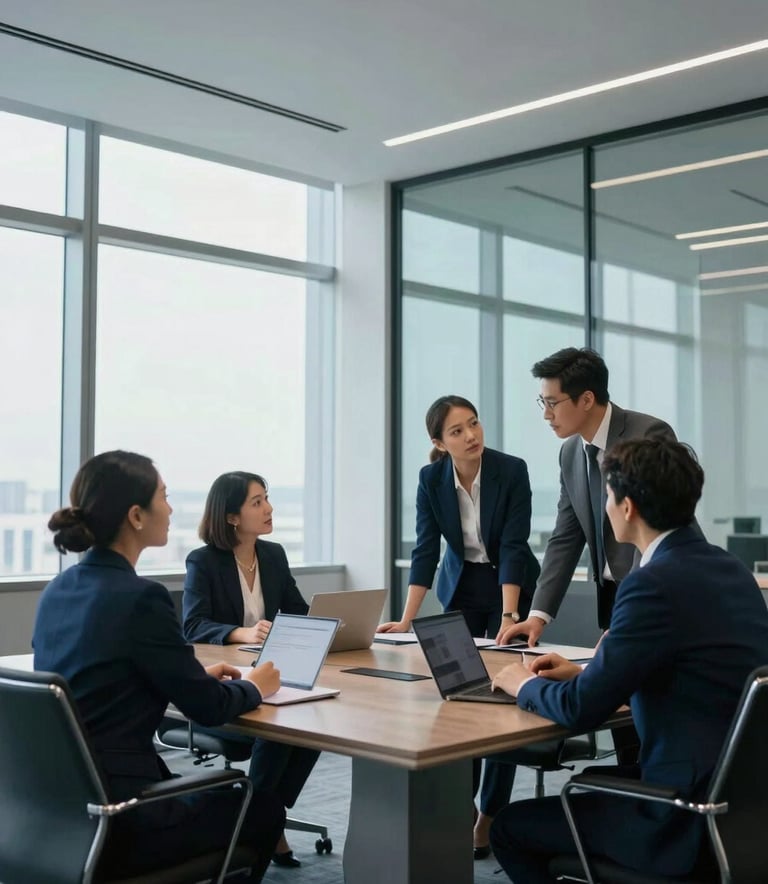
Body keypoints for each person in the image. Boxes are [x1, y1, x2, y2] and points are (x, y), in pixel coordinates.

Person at [488, 438, 768, 882]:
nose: (605, 506)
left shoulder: (651, 583)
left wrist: (521, 682)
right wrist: (585, 672)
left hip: (678, 816)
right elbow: (688, 667)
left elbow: (580, 709)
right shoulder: (730, 568)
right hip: (744, 808)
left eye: (608, 496)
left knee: (511, 828)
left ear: (628, 506)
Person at [32, 451, 284, 882]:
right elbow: (207, 709)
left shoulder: (58, 589)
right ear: (135, 515)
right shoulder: (141, 598)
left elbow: (100, 685)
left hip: (59, 813)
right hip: (126, 816)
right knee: (261, 806)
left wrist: (189, 678)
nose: (170, 508)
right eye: (164, 497)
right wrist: (256, 686)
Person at [377, 395, 540, 857]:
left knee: (508, 699)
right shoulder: (431, 479)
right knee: (459, 696)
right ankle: (462, 804)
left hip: (510, 587)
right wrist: (408, 617)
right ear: (439, 442)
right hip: (463, 586)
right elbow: (426, 549)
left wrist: (510, 616)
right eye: (457, 431)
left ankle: (490, 813)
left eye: (474, 424)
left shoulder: (512, 469)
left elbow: (513, 543)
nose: (471, 435)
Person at [183, 470, 319, 869]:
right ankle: (263, 822)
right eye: (257, 502)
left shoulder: (272, 555)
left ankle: (265, 812)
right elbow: (193, 625)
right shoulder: (203, 560)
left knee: (317, 720)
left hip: (273, 674)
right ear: (231, 517)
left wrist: (327, 625)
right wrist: (241, 632)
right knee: (282, 730)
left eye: (267, 498)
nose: (269, 509)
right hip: (226, 683)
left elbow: (296, 609)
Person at [499, 347, 678, 649]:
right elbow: (565, 537)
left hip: (655, 590)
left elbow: (651, 530)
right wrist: (537, 615)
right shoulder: (570, 452)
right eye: (542, 402)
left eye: (552, 402)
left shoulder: (648, 434)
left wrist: (630, 615)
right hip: (611, 594)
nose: (546, 414)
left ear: (586, 399)